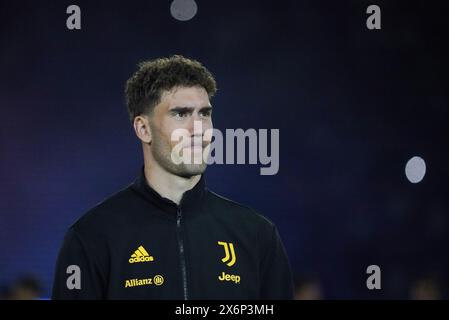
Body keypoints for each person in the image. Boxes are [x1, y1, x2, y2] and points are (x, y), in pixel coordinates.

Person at [52, 55, 293, 299]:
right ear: (143, 129)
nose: (198, 129)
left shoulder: (257, 235)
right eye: (180, 114)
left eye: (204, 114)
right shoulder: (91, 237)